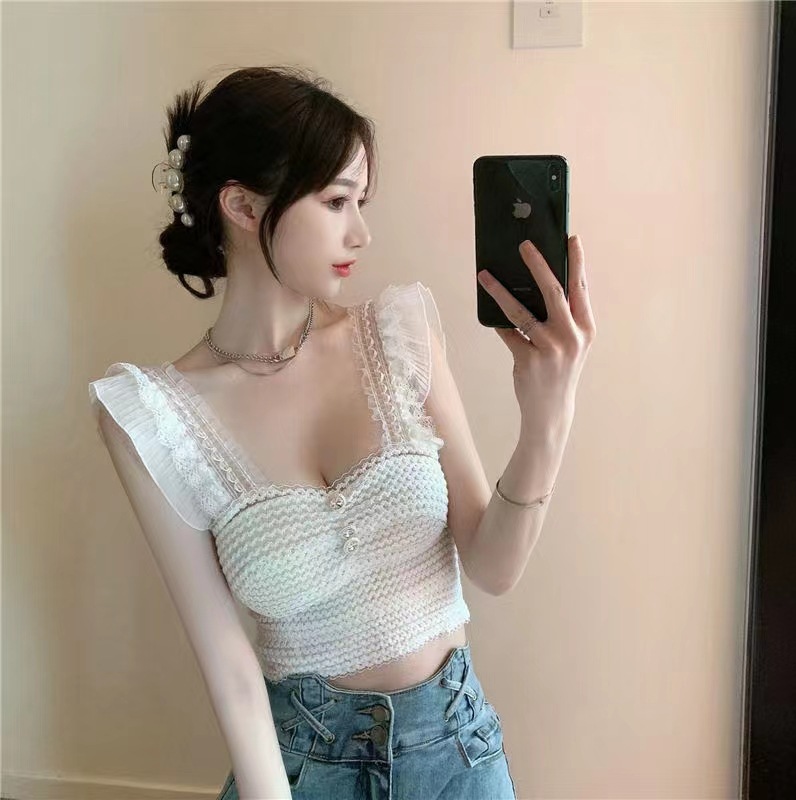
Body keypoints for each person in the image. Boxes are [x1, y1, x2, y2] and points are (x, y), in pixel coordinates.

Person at [88, 65, 594, 800]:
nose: (361, 231)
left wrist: (548, 417)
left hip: (457, 756)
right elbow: (230, 671)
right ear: (242, 205)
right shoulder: (153, 415)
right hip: (299, 769)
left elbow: (493, 566)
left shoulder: (399, 335)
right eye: (335, 201)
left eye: (361, 201)